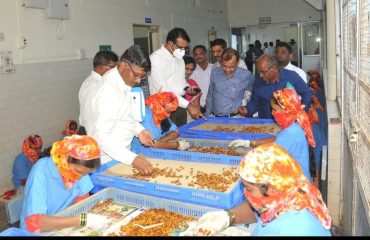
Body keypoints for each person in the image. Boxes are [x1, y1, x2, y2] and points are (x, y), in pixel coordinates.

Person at [194, 143, 332, 236]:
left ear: (271, 188)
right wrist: (227, 217)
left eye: (249, 188)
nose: (246, 194)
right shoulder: (292, 194)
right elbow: (260, 210)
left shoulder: (290, 229)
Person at [20, 135, 111, 233]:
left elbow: (82, 201)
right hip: (38, 232)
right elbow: (33, 223)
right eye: (79, 172)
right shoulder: (41, 171)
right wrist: (82, 220)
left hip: (63, 225)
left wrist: (99, 213)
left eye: (86, 174)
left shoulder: (79, 170)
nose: (80, 177)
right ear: (65, 158)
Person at [90, 45, 154, 176]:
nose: (138, 80)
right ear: (123, 65)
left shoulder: (124, 82)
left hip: (122, 155)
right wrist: (133, 159)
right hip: (107, 159)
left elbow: (125, 115)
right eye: (136, 75)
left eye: (142, 77)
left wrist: (139, 130)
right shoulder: (108, 90)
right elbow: (100, 136)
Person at [230, 88, 315, 182]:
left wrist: (247, 160)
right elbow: (277, 139)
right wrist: (249, 143)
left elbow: (271, 155)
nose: (272, 113)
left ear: (286, 109)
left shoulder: (292, 132)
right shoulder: (293, 123)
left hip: (296, 185)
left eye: (275, 109)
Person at [148, 27, 203, 127]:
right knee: (167, 140)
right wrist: (189, 105)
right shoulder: (156, 59)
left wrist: (187, 88)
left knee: (181, 137)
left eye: (185, 48)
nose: (183, 51)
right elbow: (164, 90)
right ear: (170, 43)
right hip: (163, 109)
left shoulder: (179, 58)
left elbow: (180, 81)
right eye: (180, 47)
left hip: (180, 106)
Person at [238, 55, 312, 119]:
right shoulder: (258, 83)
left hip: (289, 123)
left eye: (263, 72)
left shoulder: (291, 77)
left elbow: (306, 92)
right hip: (267, 124)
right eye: (258, 72)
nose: (260, 75)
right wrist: (247, 110)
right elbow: (255, 102)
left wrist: (303, 110)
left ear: (274, 67)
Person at [78, 50, 118, 135]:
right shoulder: (93, 86)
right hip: (90, 133)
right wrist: (93, 140)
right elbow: (88, 116)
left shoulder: (99, 82)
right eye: (113, 67)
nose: (116, 71)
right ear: (100, 67)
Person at [206, 48, 254, 117]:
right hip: (216, 117)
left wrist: (247, 108)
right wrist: (208, 114)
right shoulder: (215, 72)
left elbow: (254, 94)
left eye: (231, 67)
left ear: (237, 63)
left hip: (235, 118)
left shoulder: (246, 75)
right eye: (224, 66)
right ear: (221, 62)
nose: (227, 70)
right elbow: (210, 95)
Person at [190, 45, 213, 113]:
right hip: (197, 107)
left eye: (201, 54)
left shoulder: (214, 68)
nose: (198, 56)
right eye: (196, 55)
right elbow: (190, 89)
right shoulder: (191, 71)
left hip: (213, 106)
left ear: (206, 54)